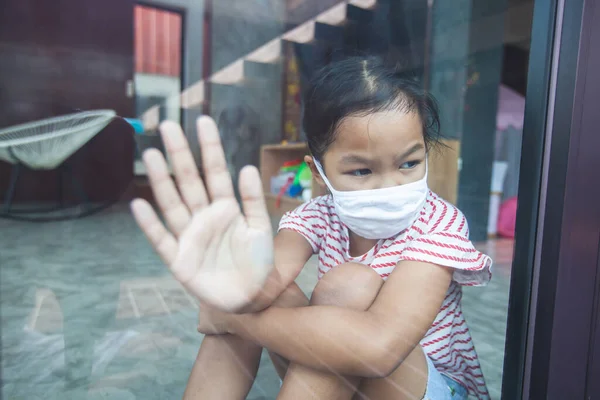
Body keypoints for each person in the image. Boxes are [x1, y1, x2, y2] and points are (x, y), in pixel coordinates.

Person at [131, 56, 492, 400]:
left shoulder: (440, 225)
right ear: (318, 173)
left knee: (350, 284)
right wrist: (230, 287)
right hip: (346, 376)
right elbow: (265, 285)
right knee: (259, 293)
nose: (390, 185)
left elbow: (380, 349)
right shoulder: (317, 216)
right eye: (362, 171)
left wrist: (234, 320)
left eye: (409, 163)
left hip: (423, 388)